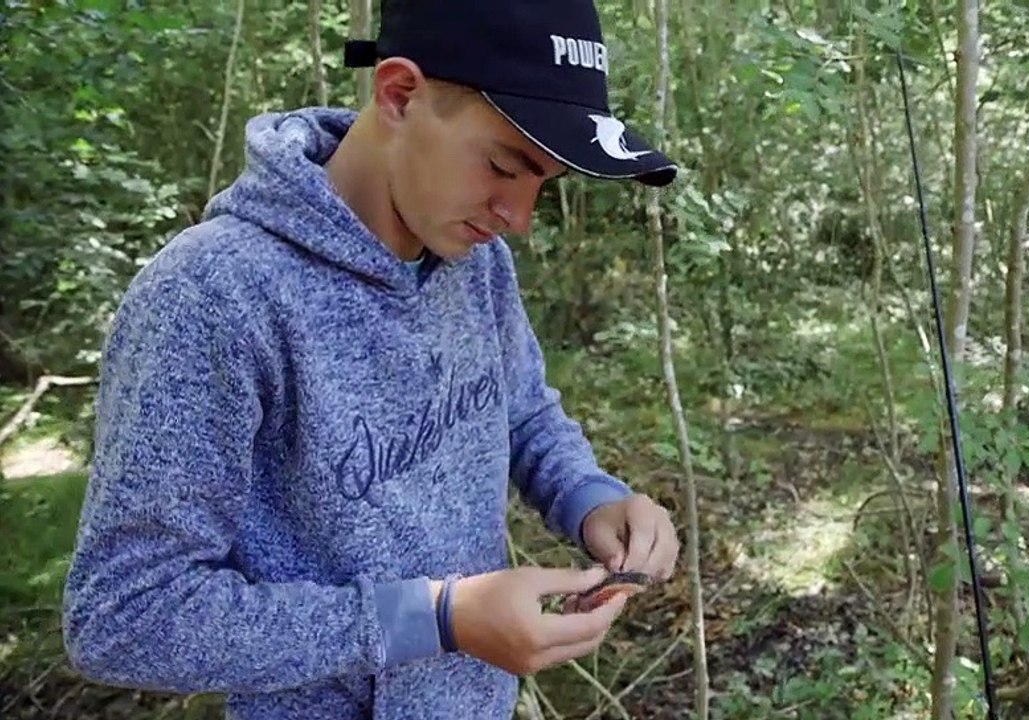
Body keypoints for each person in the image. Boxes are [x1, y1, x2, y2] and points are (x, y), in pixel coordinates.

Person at [60, 1, 682, 718]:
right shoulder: (212, 295)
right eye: (505, 164)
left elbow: (519, 408)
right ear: (399, 94)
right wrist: (438, 617)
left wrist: (590, 497)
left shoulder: (475, 261)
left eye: (545, 182)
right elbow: (125, 616)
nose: (518, 215)